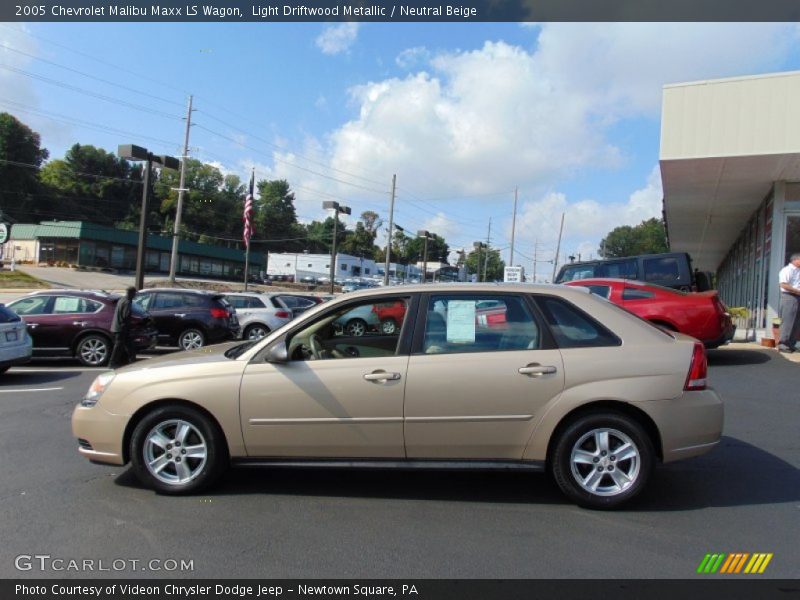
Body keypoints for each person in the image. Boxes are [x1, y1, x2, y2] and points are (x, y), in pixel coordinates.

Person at [777, 253, 800, 353]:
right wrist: (798, 291)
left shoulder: (798, 271)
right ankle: (783, 344)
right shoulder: (787, 270)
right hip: (789, 297)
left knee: (796, 322)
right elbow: (783, 284)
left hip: (797, 297)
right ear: (795, 260)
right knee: (788, 321)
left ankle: (791, 344)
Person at [109, 286, 137, 367]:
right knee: (118, 346)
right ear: (132, 293)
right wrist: (131, 325)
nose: (135, 295)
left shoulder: (122, 299)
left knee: (128, 346)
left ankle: (132, 361)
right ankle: (112, 363)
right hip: (121, 328)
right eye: (134, 293)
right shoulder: (127, 302)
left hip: (117, 327)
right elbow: (126, 316)